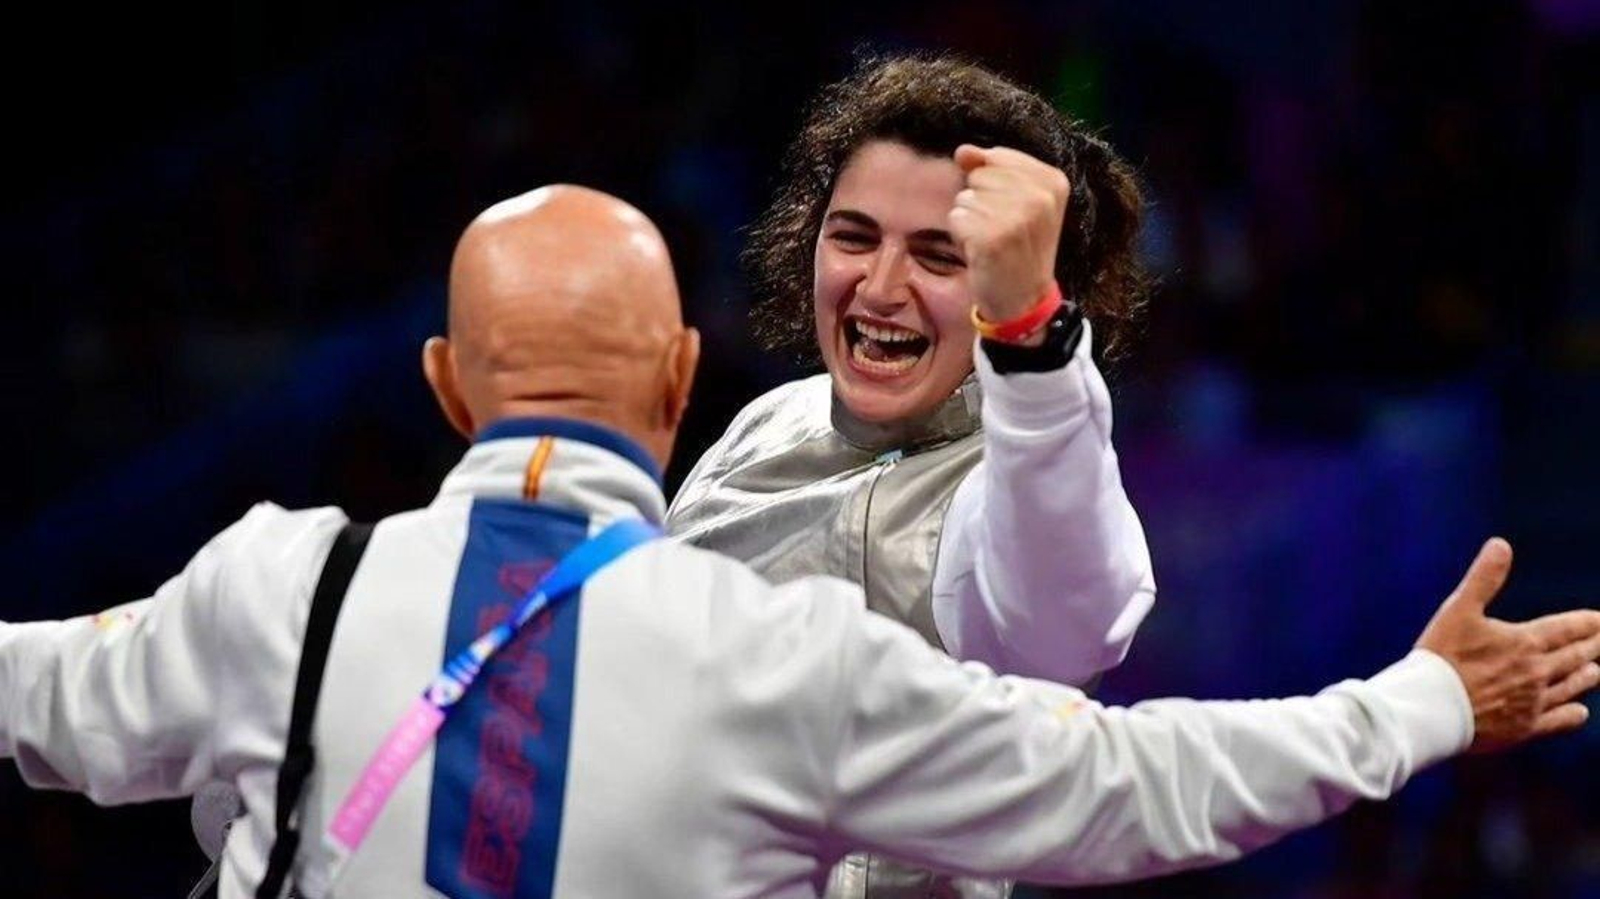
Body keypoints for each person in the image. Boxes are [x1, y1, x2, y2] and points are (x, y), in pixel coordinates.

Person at [2, 186, 1597, 899]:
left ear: (442, 386)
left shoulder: (275, 585)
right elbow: (1133, 784)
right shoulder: (784, 655)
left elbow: (28, 693)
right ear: (686, 378)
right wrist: (1425, 701)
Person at [666, 53, 1155, 897]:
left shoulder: (1014, 478)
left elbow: (1063, 626)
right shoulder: (758, 430)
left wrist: (1032, 337)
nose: (881, 287)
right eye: (854, 237)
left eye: (940, 255)